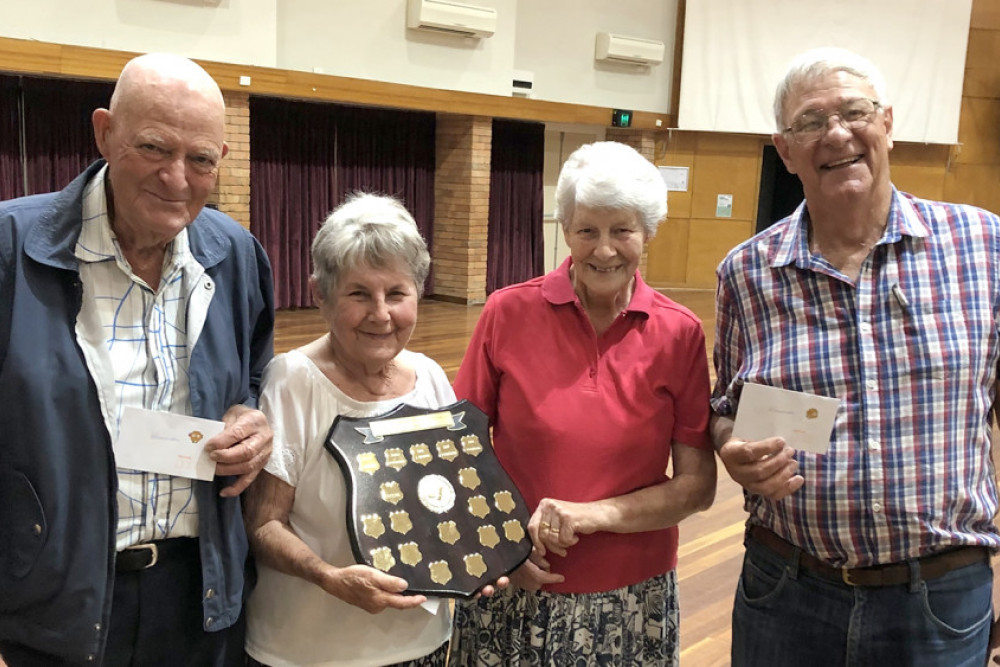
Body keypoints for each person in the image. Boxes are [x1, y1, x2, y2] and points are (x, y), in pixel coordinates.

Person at [712, 46, 1000, 666]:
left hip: (941, 600)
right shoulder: (746, 274)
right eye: (810, 122)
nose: (836, 133)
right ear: (784, 150)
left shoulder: (985, 247)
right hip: (785, 591)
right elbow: (724, 406)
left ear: (888, 123)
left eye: (854, 112)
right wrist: (732, 445)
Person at [0, 54, 274, 666]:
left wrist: (249, 418)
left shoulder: (233, 254)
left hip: (197, 597)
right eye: (154, 148)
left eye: (200, 159)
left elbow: (253, 377)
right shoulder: (12, 249)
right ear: (104, 132)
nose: (177, 178)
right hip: (54, 601)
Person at [447, 141, 717, 665]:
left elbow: (697, 487)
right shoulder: (507, 312)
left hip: (632, 592)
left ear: (648, 232)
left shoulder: (679, 333)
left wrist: (594, 515)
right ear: (565, 230)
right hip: (517, 582)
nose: (605, 249)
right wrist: (503, 552)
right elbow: (461, 453)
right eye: (587, 230)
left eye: (623, 230)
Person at [244, 193, 461, 667]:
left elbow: (452, 502)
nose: (381, 313)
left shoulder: (430, 377)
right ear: (320, 296)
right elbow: (262, 524)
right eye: (359, 294)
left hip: (420, 641)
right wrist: (329, 577)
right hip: (307, 649)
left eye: (397, 293)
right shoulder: (293, 380)